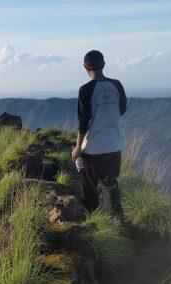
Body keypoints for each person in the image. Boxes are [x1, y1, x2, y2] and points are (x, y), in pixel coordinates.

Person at [71, 50, 128, 220]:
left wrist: (77, 148)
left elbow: (83, 122)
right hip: (113, 146)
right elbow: (122, 109)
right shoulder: (116, 85)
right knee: (110, 184)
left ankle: (93, 221)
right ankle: (117, 220)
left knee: (90, 187)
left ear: (85, 68)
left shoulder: (86, 90)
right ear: (103, 64)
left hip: (92, 149)